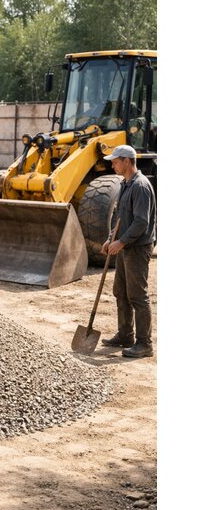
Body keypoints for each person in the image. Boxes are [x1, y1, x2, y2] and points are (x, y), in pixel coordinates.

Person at [100, 144, 157, 358]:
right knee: (121, 292)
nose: (112, 165)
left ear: (127, 161)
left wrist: (121, 242)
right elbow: (119, 217)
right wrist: (109, 239)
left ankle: (144, 344)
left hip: (137, 248)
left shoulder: (140, 186)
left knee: (137, 296)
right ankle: (125, 335)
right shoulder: (125, 184)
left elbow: (141, 222)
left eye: (115, 161)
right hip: (125, 246)